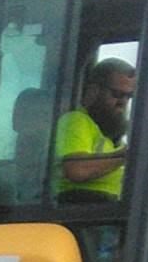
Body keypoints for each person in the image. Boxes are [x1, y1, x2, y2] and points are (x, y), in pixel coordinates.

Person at [55, 58, 136, 202]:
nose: (122, 103)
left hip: (110, 207)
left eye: (128, 97)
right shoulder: (76, 120)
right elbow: (76, 170)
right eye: (117, 94)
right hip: (81, 207)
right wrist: (130, 153)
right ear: (93, 91)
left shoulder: (111, 136)